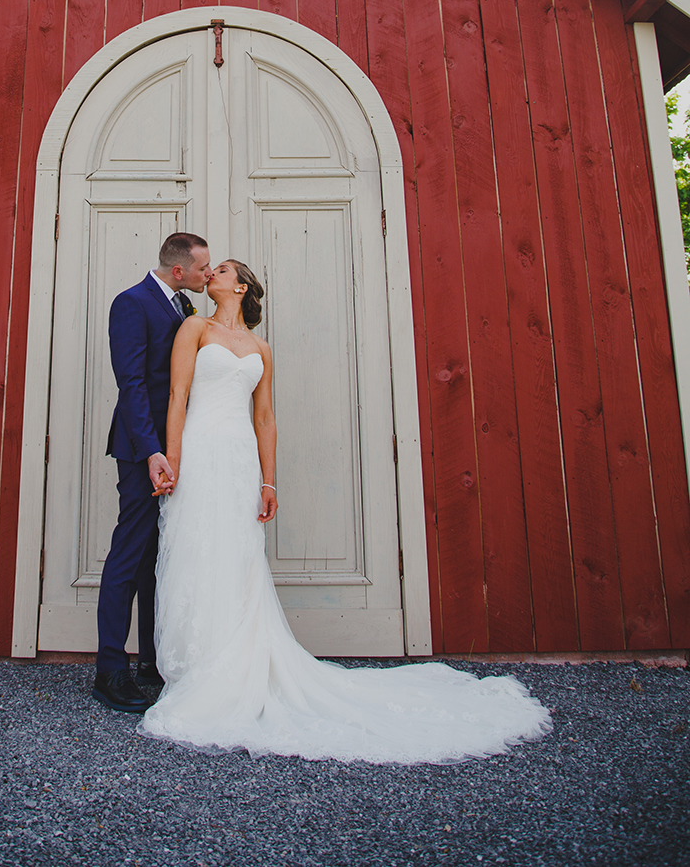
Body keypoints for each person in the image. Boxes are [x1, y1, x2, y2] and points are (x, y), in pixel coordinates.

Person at [141, 259, 553, 763]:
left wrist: (269, 479)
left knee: (239, 557)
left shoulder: (261, 349)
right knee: (196, 549)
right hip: (201, 452)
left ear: (240, 285)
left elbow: (266, 418)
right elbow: (179, 395)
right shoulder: (193, 327)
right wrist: (173, 460)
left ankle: (239, 663)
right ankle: (195, 667)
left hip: (240, 459)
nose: (212, 275)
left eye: (221, 269)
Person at [92, 232, 212, 714]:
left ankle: (150, 660)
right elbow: (133, 383)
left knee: (157, 556)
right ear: (179, 270)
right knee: (130, 550)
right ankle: (109, 669)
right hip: (144, 450)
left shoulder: (182, 306)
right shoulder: (132, 303)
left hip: (176, 448)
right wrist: (151, 452)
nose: (209, 274)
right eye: (204, 268)